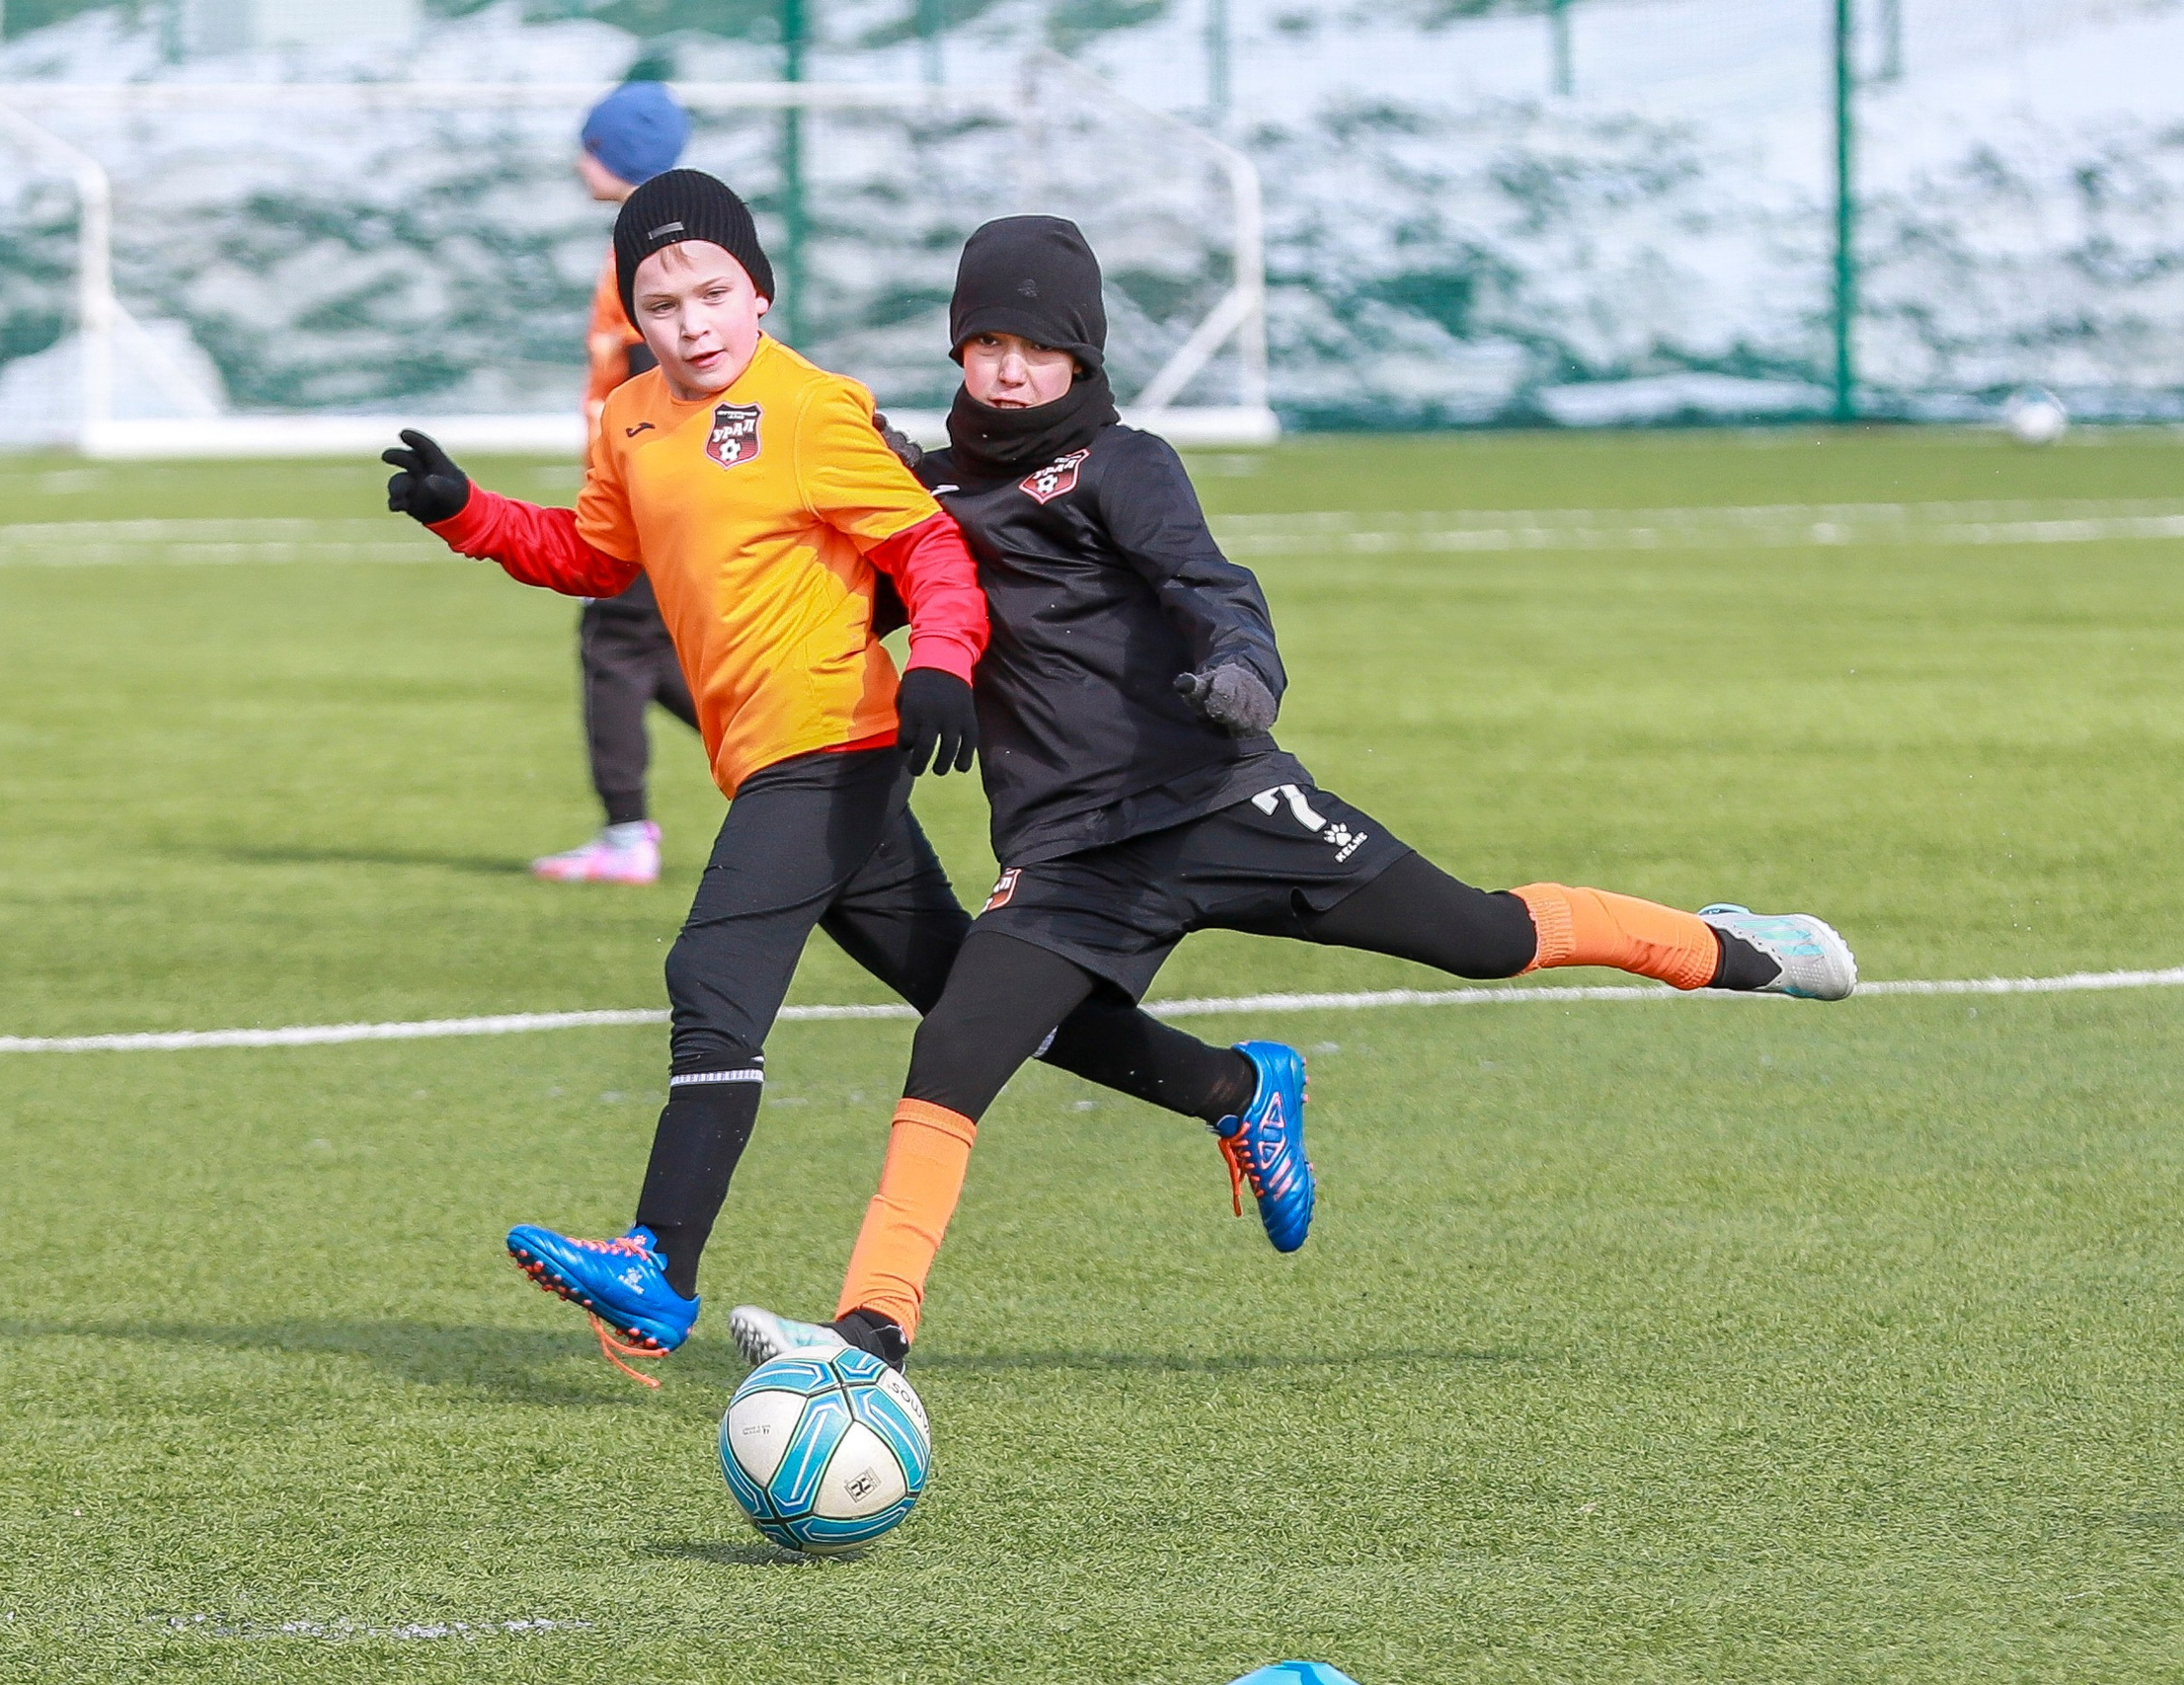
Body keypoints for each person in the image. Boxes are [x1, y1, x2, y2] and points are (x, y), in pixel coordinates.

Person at [729, 216, 1858, 1374]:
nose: (1010, 368)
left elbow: (1209, 584)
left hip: (1215, 801)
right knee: (956, 1049)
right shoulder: (929, 494)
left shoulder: (1125, 462)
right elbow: (848, 605)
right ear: (957, 349)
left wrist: (1241, 672)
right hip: (1069, 852)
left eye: (1037, 346)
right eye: (987, 342)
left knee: (1481, 936)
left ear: (1083, 356)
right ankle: (869, 1331)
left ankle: (1734, 949)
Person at [382, 176, 1299, 1385]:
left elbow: (929, 543)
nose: (692, 321)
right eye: (662, 303)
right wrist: (467, 513)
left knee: (711, 970)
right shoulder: (629, 423)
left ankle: (657, 1264)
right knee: (965, 997)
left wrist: (939, 667)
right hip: (762, 755)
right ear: (633, 316)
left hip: (833, 745)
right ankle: (1234, 1088)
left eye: (715, 293)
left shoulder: (817, 412)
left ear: (760, 293)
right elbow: (600, 555)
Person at [534, 80, 699, 886]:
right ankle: (794, 759)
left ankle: (627, 834)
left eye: (590, 146)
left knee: (612, 644)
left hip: (642, 488)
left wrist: (636, 479)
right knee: (650, 649)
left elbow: (653, 364)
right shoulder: (653, 238)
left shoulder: (646, 250)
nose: (577, 159)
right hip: (648, 483)